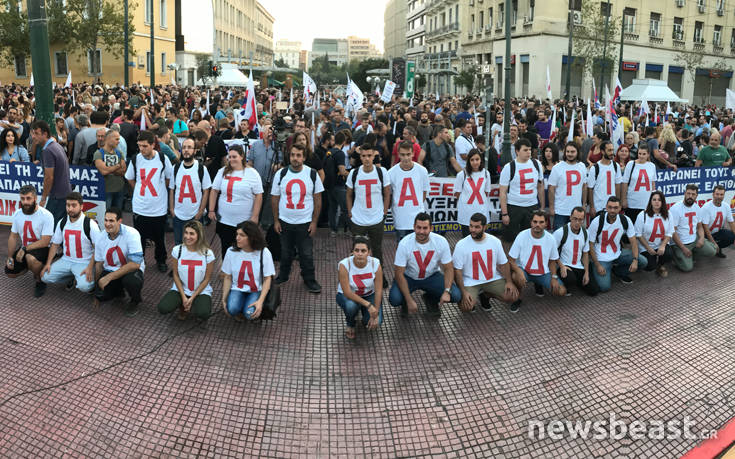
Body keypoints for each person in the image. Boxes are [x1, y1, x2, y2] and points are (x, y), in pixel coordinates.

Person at [271, 143, 324, 293]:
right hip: (285, 221)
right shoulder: (281, 174)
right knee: (285, 252)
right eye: (293, 155)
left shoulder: (312, 174)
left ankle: (309, 280)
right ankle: (283, 275)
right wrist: (276, 220)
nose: (295, 158)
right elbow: (274, 198)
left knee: (306, 254)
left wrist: (314, 222)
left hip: (305, 222)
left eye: (298, 155)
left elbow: (318, 199)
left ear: (304, 157)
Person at [389, 213, 461, 317]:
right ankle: (405, 300)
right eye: (418, 228)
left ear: (431, 228)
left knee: (455, 295)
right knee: (395, 299)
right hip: (408, 277)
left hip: (431, 276)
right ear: (414, 227)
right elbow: (399, 273)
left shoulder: (441, 241)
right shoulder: (404, 244)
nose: (421, 231)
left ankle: (430, 298)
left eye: (425, 228)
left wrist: (446, 291)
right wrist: (409, 299)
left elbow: (448, 268)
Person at [125, 130, 174, 272]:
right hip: (140, 207)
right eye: (139, 145)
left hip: (158, 208)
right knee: (139, 239)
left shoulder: (163, 159)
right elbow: (129, 177)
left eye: (145, 146)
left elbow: (168, 178)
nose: (141, 149)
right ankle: (140, 261)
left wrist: (159, 191)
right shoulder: (136, 159)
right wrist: (138, 189)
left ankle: (161, 260)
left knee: (160, 238)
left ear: (153, 145)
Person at [452, 212, 521, 313]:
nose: (472, 230)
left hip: (492, 279)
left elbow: (504, 263)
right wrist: (463, 292)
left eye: (477, 227)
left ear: (485, 227)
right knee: (466, 307)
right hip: (471, 281)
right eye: (471, 226)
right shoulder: (461, 245)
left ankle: (485, 294)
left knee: (513, 296)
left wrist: (509, 282)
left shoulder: (495, 241)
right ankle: (475, 296)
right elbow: (457, 270)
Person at [346, 139, 391, 280]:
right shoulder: (354, 173)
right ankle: (356, 276)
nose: (366, 159)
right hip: (358, 218)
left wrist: (384, 212)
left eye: (369, 156)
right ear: (360, 157)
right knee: (356, 251)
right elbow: (348, 194)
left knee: (377, 250)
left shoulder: (381, 172)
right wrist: (350, 213)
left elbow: (387, 192)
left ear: (374, 156)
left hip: (376, 217)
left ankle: (379, 277)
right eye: (364, 156)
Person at [40, 192, 101, 293]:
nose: (70, 209)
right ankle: (70, 278)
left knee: (84, 287)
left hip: (84, 262)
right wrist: (48, 263)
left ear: (81, 206)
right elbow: (55, 244)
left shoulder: (90, 224)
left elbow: (98, 249)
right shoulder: (62, 222)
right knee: (45, 277)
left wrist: (90, 267)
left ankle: (82, 279)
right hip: (66, 260)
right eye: (68, 205)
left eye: (74, 205)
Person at [208, 144, 262, 254]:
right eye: (230, 157)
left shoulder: (252, 173)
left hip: (244, 221)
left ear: (242, 156)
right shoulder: (222, 171)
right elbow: (214, 190)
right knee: (226, 250)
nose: (231, 159)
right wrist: (211, 209)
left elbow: (259, 195)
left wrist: (255, 216)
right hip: (225, 220)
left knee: (243, 251)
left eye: (234, 156)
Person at [158, 220, 215, 321]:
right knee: (163, 308)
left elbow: (207, 279)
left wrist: (192, 297)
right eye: (186, 233)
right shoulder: (177, 250)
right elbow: (175, 275)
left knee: (203, 313)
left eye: (192, 233)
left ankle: (193, 303)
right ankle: (182, 304)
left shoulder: (208, 254)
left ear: (199, 235)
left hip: (201, 291)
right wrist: (184, 297)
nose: (187, 237)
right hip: (181, 289)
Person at [92, 207, 145, 316]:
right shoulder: (100, 237)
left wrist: (109, 277)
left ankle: (135, 301)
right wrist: (97, 290)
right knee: (101, 295)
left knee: (132, 282)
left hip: (130, 269)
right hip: (110, 269)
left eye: (111, 221)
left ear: (119, 221)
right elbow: (99, 264)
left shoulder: (132, 233)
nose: (107, 224)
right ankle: (118, 291)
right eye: (106, 220)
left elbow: (135, 264)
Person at [588, 196, 647, 292]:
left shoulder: (625, 220)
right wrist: (597, 264)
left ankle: (618, 271)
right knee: (604, 287)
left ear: (620, 209)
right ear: (606, 207)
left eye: (615, 208)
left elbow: (633, 241)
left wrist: (635, 260)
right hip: (601, 258)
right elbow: (590, 245)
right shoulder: (597, 221)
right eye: (610, 207)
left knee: (643, 261)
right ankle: (594, 268)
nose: (612, 210)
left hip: (618, 254)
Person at [5, 185, 55, 297]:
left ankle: (40, 280)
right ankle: (32, 268)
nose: (25, 202)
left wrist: (24, 249)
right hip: (26, 248)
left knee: (30, 258)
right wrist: (9, 256)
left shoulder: (46, 215)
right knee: (10, 272)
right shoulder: (18, 214)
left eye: (28, 198)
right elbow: (13, 236)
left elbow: (45, 242)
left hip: (42, 248)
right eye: (22, 198)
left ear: (35, 198)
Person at [221, 221, 275, 320]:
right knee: (232, 308)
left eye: (242, 235)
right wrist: (224, 299)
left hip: (256, 290)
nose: (237, 238)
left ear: (252, 237)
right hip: (237, 288)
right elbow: (227, 277)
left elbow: (268, 279)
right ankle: (240, 308)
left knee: (250, 314)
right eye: (237, 234)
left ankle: (250, 308)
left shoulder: (264, 252)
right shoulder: (231, 251)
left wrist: (260, 301)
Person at [508, 210, 567, 302]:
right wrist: (518, 270)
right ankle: (519, 297)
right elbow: (511, 259)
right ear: (531, 222)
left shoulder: (550, 238)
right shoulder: (522, 235)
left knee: (561, 291)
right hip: (525, 271)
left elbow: (552, 261)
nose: (537, 225)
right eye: (535, 222)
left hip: (543, 273)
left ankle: (538, 283)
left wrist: (554, 277)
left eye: (541, 222)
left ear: (546, 223)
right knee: (516, 277)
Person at [337, 236, 384, 339]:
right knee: (350, 307)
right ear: (352, 251)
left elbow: (378, 289)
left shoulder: (375, 263)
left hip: (368, 294)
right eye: (356, 250)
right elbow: (347, 292)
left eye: (363, 251)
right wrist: (368, 305)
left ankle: (363, 312)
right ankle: (350, 323)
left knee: (377, 321)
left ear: (369, 252)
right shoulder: (344, 265)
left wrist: (375, 311)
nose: (360, 253)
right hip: (348, 296)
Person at [499, 138, 544, 244]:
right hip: (514, 207)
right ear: (517, 151)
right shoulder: (509, 167)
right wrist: (505, 214)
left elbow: (540, 187)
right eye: (525, 150)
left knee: (530, 238)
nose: (528, 152)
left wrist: (541, 207)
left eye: (529, 149)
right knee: (510, 239)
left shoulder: (536, 164)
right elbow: (502, 192)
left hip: (531, 206)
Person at [169, 138, 212, 245]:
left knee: (197, 245)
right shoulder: (176, 168)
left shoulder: (201, 169)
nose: (186, 150)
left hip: (195, 215)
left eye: (189, 147)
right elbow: (172, 190)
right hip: (178, 215)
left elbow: (206, 191)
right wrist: (172, 209)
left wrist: (201, 211)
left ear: (195, 150)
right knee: (179, 244)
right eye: (184, 147)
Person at [669, 184, 718, 272]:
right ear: (684, 193)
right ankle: (675, 256)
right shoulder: (675, 209)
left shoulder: (697, 208)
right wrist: (683, 248)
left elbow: (699, 227)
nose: (690, 196)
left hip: (693, 239)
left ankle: (691, 254)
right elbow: (673, 232)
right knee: (687, 268)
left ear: (696, 196)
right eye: (688, 193)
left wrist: (702, 238)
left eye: (693, 194)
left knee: (712, 251)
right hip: (680, 243)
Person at [388, 141, 430, 241]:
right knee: (402, 248)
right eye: (402, 155)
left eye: (408, 154)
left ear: (413, 154)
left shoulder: (422, 171)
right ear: (398, 155)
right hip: (400, 218)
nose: (406, 158)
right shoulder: (391, 173)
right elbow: (389, 195)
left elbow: (424, 192)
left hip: (418, 217)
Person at [32, 120, 72, 225]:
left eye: (36, 133)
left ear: (45, 134)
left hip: (57, 196)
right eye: (33, 133)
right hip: (64, 193)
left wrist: (44, 198)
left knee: (51, 227)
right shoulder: (56, 145)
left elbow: (49, 177)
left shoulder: (48, 151)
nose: (33, 136)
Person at [553, 206, 599, 296]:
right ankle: (564, 282)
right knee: (570, 279)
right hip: (565, 266)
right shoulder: (560, 233)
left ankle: (578, 281)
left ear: (583, 220)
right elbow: (552, 252)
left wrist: (586, 272)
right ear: (570, 217)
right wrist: (561, 266)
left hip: (579, 266)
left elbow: (585, 254)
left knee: (594, 291)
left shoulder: (585, 233)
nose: (577, 222)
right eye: (575, 219)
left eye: (580, 220)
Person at [547, 142, 588, 231]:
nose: (569, 154)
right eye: (568, 151)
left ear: (577, 152)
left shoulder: (582, 166)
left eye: (572, 152)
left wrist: (584, 204)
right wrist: (551, 207)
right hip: (560, 210)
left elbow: (584, 186)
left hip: (577, 211)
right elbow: (551, 189)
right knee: (559, 239)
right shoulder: (557, 168)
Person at [634, 191, 674, 278]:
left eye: (659, 200)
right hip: (646, 246)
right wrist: (648, 248)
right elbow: (638, 234)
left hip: (660, 245)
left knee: (669, 254)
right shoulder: (642, 215)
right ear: (650, 201)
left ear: (662, 202)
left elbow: (670, 232)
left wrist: (663, 246)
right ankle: (650, 263)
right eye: (654, 199)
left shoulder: (668, 214)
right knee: (649, 266)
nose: (656, 202)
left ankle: (660, 265)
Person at [453, 149, 491, 237]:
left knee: (482, 237)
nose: (475, 162)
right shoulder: (462, 174)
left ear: (481, 160)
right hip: (466, 211)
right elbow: (457, 193)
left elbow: (486, 192)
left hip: (481, 209)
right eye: (472, 160)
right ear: (468, 161)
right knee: (467, 237)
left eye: (477, 159)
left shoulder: (486, 173)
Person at [621, 142, 657, 222]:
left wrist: (654, 200)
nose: (641, 156)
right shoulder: (631, 164)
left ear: (648, 154)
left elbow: (653, 184)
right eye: (639, 153)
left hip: (647, 203)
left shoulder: (652, 166)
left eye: (644, 154)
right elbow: (625, 183)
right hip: (632, 203)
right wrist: (624, 199)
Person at [93, 129, 127, 211]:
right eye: (117, 139)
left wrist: (109, 169)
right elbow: (103, 172)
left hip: (119, 189)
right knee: (106, 215)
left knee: (117, 215)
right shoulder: (98, 153)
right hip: (106, 190)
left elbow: (123, 171)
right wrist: (117, 166)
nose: (118, 142)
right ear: (109, 139)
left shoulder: (119, 153)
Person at [587, 140, 622, 216]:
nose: (612, 152)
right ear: (602, 152)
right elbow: (590, 188)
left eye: (612, 150)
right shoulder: (595, 168)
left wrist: (618, 204)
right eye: (609, 150)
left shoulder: (616, 166)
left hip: (612, 207)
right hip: (598, 207)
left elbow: (618, 186)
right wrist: (592, 207)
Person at [701, 184, 735, 257]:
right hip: (705, 234)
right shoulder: (706, 207)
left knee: (731, 236)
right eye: (717, 194)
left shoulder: (726, 206)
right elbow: (705, 227)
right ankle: (710, 248)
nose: (719, 196)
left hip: (717, 232)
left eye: (721, 194)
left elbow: (731, 222)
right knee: (710, 250)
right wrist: (713, 242)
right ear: (713, 194)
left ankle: (718, 249)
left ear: (724, 195)